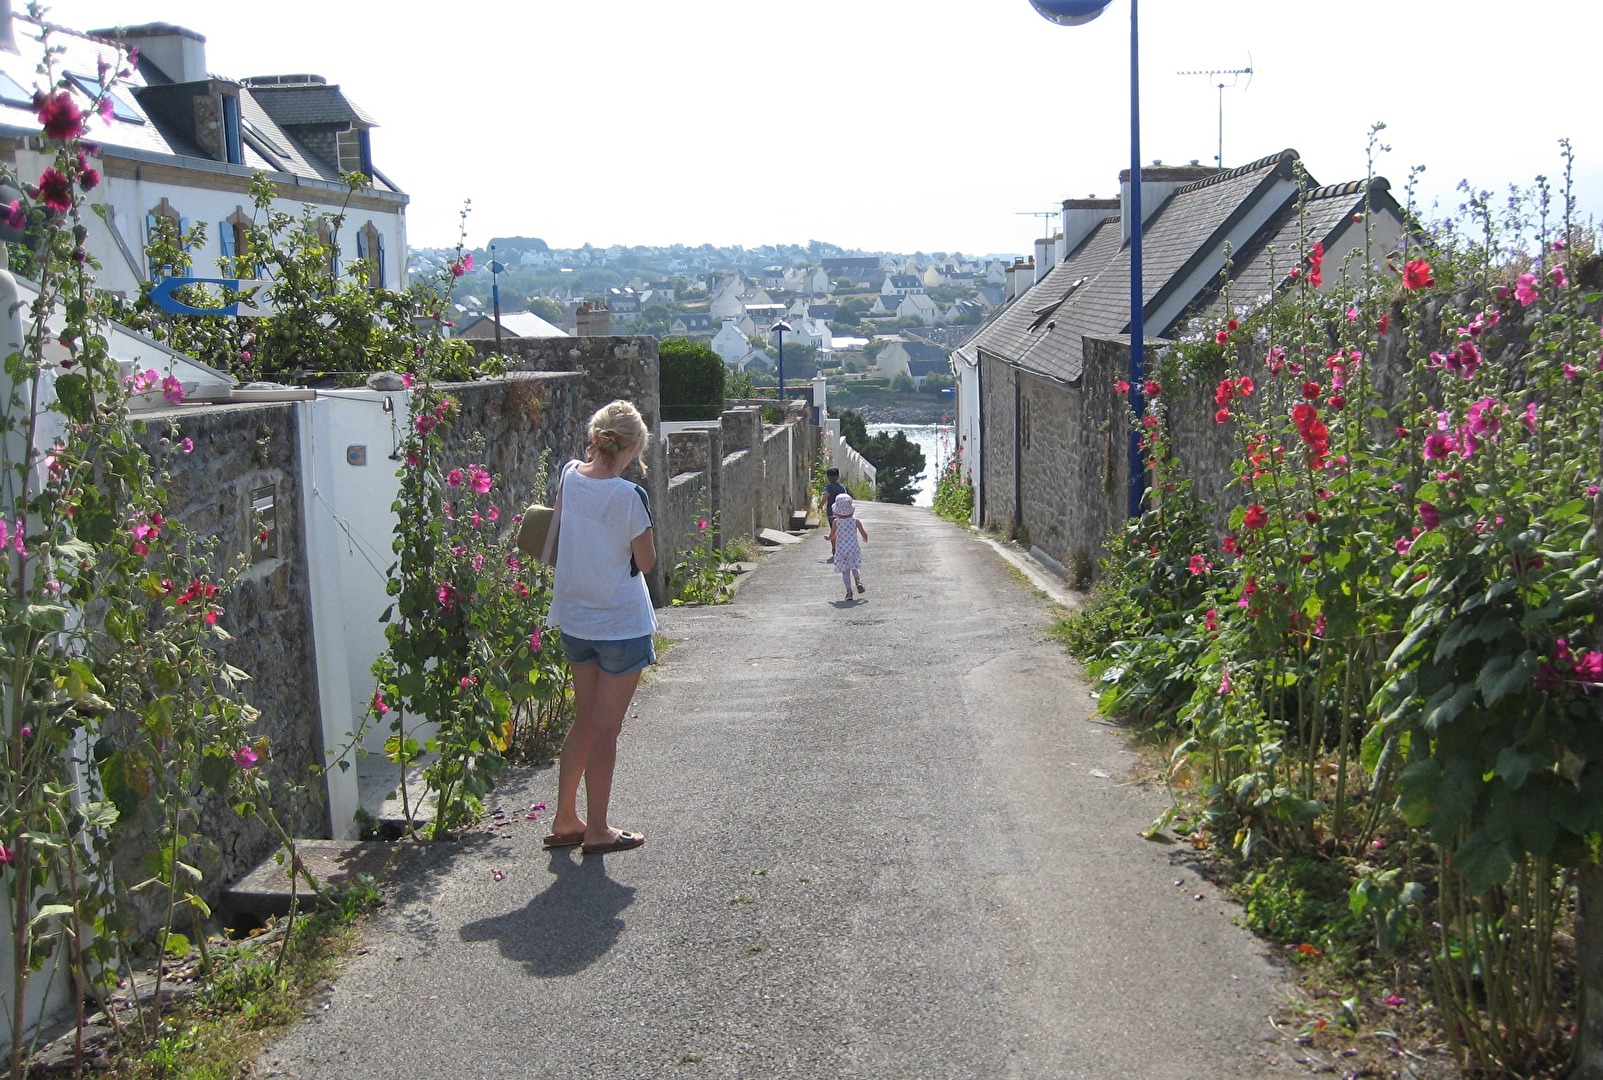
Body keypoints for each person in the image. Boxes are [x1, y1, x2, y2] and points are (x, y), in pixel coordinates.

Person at [544, 401, 657, 856]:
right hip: (620, 626)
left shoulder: (570, 475)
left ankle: (565, 818)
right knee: (607, 730)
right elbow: (646, 562)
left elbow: (560, 532)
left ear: (596, 438)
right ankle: (598, 829)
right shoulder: (629, 496)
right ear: (631, 448)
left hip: (575, 619)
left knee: (584, 721)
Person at [828, 492, 868, 601]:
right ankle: (858, 582)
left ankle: (849, 592)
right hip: (853, 549)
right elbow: (864, 534)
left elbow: (832, 536)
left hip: (841, 551)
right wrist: (864, 539)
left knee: (845, 571)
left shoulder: (836, 522)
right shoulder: (855, 521)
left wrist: (828, 538)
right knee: (854, 567)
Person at [821, 467, 847, 563]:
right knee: (842, 530)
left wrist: (820, 505)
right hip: (843, 512)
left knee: (833, 530)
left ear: (828, 477)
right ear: (838, 476)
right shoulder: (841, 487)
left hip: (831, 512)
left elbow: (826, 496)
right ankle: (842, 548)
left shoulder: (828, 487)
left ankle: (834, 547)